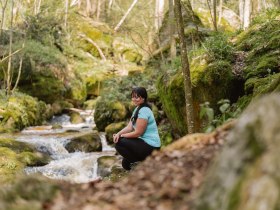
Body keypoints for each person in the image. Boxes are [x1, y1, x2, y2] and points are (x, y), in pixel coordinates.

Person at [113, 87, 161, 170]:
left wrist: (121, 136)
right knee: (125, 164)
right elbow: (129, 127)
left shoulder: (144, 110)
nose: (134, 99)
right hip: (143, 143)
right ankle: (138, 162)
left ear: (143, 98)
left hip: (151, 146)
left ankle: (141, 163)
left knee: (119, 142)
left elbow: (138, 133)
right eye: (133, 97)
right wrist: (118, 134)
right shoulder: (137, 109)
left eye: (137, 97)